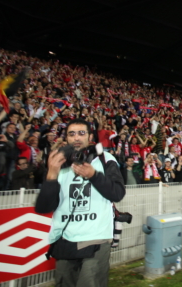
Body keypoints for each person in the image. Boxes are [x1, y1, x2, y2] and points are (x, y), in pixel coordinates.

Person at [35, 118, 125, 287]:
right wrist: (51, 173)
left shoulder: (105, 159)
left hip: (96, 239)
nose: (76, 138)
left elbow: (118, 193)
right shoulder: (57, 162)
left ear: (90, 136)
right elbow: (44, 207)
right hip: (63, 240)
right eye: (72, 134)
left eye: (81, 133)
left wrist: (94, 176)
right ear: (66, 138)